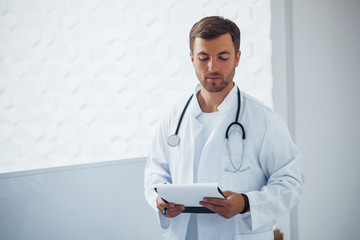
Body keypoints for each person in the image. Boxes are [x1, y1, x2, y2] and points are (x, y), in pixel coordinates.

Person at [144, 16, 304, 240]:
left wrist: (246, 203)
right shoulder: (173, 116)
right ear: (191, 59)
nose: (212, 67)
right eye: (203, 58)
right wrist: (159, 200)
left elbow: (291, 183)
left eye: (223, 57)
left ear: (237, 58)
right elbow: (156, 173)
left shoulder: (264, 119)